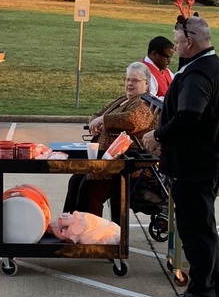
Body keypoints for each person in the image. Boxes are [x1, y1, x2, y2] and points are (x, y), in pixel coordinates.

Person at [155, 15, 219, 297]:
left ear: (190, 41)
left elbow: (189, 116)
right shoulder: (215, 66)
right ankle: (217, 283)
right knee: (204, 224)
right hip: (208, 158)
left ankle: (201, 290)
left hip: (194, 162)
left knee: (194, 228)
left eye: (176, 43)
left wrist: (158, 134)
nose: (174, 49)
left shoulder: (199, 73)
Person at [63, 62, 157, 218]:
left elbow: (132, 120)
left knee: (89, 189)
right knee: (75, 180)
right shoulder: (121, 100)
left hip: (128, 164)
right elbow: (96, 113)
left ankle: (89, 233)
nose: (129, 84)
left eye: (134, 81)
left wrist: (103, 120)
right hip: (107, 160)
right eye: (127, 80)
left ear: (146, 84)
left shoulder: (146, 103)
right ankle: (69, 224)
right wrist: (96, 122)